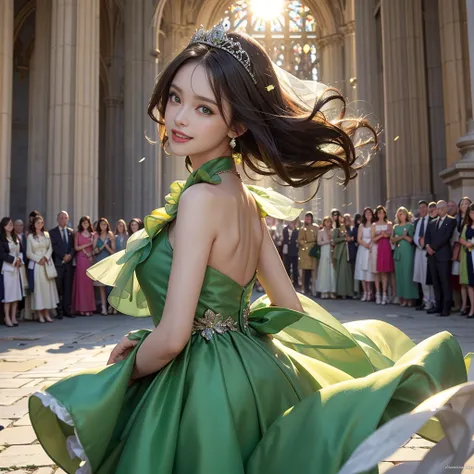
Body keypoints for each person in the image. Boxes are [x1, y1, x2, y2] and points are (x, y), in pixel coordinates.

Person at [29, 22, 472, 473]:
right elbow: (287, 306)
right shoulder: (246, 199)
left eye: (204, 109)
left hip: (200, 389)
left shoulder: (200, 199)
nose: (179, 118)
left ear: (237, 123)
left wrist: (125, 369)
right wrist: (244, 332)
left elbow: (174, 337)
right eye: (176, 97)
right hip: (256, 373)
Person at [425, 200, 457, 316]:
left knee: (445, 282)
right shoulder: (432, 222)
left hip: (443, 255)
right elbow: (427, 236)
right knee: (435, 282)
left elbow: (446, 237)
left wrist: (433, 247)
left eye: (440, 208)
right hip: (432, 256)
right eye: (437, 208)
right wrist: (428, 246)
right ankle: (437, 305)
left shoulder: (451, 221)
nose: (438, 210)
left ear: (445, 208)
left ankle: (446, 308)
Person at [26, 216, 59, 323]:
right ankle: (40, 314)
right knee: (39, 290)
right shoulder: (30, 236)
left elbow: (50, 248)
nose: (40, 224)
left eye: (41, 223)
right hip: (37, 265)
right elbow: (28, 253)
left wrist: (46, 257)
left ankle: (47, 313)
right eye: (38, 223)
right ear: (34, 224)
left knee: (47, 290)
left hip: (46, 263)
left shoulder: (46, 234)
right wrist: (38, 259)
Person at [49, 211, 76, 319]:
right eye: (61, 218)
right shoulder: (52, 232)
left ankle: (67, 310)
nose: (63, 220)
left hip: (69, 264)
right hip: (58, 263)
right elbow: (54, 247)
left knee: (68, 287)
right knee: (58, 287)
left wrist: (70, 255)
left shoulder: (71, 232)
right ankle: (59, 311)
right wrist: (63, 255)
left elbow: (74, 247)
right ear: (58, 219)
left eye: (65, 218)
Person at [0, 217, 26, 327]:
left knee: (16, 295)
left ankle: (13, 317)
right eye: (9, 224)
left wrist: (19, 259)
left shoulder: (15, 237)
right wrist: (14, 260)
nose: (11, 225)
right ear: (4, 226)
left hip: (16, 269)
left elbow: (21, 251)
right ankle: (6, 317)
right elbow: (2, 254)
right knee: (8, 296)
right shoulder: (2, 238)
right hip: (7, 269)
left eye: (11, 224)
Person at [391, 207, 418, 306]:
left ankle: (410, 298)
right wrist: (402, 236)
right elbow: (392, 240)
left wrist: (403, 237)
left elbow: (411, 240)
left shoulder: (410, 226)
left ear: (406, 215)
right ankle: (402, 298)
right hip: (398, 252)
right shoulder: (395, 227)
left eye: (402, 213)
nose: (401, 215)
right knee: (400, 275)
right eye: (399, 214)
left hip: (407, 251)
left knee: (408, 274)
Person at [72, 216, 96, 316]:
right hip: (81, 259)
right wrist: (87, 245)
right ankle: (81, 308)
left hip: (89, 259)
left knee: (88, 284)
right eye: (83, 223)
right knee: (81, 283)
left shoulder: (92, 234)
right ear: (81, 224)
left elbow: (94, 247)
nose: (85, 224)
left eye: (87, 223)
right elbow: (76, 247)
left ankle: (89, 308)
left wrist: (91, 253)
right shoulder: (77, 234)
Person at [412, 200, 434, 311]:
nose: (422, 209)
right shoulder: (417, 222)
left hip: (428, 252)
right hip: (418, 251)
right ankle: (425, 300)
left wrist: (425, 243)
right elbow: (415, 236)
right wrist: (419, 241)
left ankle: (432, 301)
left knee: (428, 278)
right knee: (420, 277)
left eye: (424, 207)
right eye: (420, 207)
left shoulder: (431, 220)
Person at [371, 205, 395, 305]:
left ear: (385, 213)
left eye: (382, 212)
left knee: (384, 272)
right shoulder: (374, 225)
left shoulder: (389, 224)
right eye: (379, 212)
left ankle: (385, 293)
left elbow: (390, 235)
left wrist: (384, 235)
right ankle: (378, 293)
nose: (381, 214)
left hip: (386, 248)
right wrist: (381, 235)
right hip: (376, 248)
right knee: (377, 272)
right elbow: (373, 238)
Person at [92, 218, 116, 315]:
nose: (103, 226)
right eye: (101, 224)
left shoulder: (110, 235)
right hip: (99, 261)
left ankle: (111, 305)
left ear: (107, 225)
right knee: (101, 285)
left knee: (110, 285)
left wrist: (106, 245)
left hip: (108, 261)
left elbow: (113, 252)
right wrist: (97, 241)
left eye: (105, 224)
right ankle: (103, 307)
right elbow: (94, 250)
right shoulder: (96, 235)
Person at [354, 207, 375, 301]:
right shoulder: (361, 226)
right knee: (362, 271)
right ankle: (365, 292)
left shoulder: (374, 225)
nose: (368, 215)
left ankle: (370, 292)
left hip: (372, 247)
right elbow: (359, 239)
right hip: (363, 248)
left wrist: (370, 244)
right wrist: (365, 244)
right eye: (366, 213)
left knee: (369, 271)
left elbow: (374, 237)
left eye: (370, 213)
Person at [332, 214, 354, 298]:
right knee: (342, 272)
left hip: (350, 253)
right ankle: (341, 292)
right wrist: (344, 239)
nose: (347, 220)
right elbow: (335, 240)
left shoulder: (351, 229)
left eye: (349, 219)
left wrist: (351, 239)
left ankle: (349, 292)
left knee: (348, 272)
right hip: (341, 253)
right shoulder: (338, 229)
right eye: (346, 219)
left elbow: (353, 237)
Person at [297, 212, 318, 295]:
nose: (307, 220)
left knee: (313, 270)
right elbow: (299, 240)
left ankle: (313, 288)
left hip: (313, 250)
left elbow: (318, 237)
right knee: (305, 270)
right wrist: (306, 245)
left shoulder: (315, 228)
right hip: (305, 252)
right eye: (306, 218)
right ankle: (305, 288)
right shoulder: (302, 229)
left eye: (309, 218)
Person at [316, 217, 336, 299]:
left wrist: (333, 243)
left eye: (330, 222)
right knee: (324, 270)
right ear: (324, 223)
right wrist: (328, 241)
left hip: (331, 250)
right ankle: (323, 291)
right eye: (327, 222)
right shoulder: (321, 232)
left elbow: (334, 241)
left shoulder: (333, 231)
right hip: (324, 251)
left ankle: (331, 290)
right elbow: (318, 242)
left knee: (331, 271)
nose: (328, 224)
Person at [282, 218, 299, 288]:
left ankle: (295, 283)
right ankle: (287, 283)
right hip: (286, 251)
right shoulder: (285, 229)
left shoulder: (297, 230)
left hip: (294, 251)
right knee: (287, 267)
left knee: (295, 268)